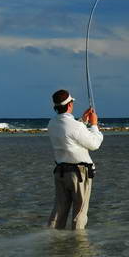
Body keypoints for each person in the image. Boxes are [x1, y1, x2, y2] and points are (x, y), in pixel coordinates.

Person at [47, 89, 103, 230]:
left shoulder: (51, 124)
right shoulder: (76, 126)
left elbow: (69, 134)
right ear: (70, 105)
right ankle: (78, 246)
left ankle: (51, 241)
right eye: (72, 102)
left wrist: (83, 121)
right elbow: (94, 144)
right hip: (79, 174)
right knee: (79, 214)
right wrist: (94, 125)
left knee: (59, 211)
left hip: (60, 173)